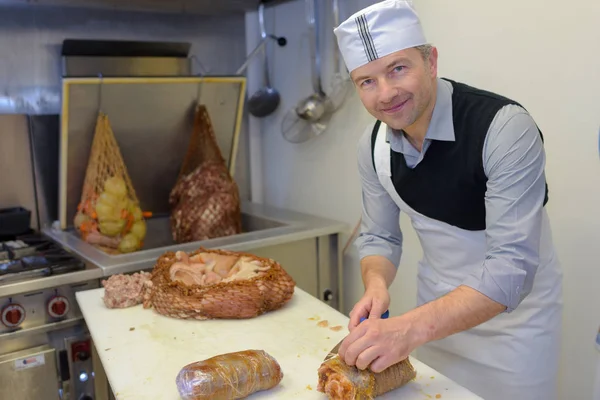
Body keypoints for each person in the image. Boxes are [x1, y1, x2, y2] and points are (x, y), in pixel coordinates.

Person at [332, 1, 563, 399]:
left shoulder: (504, 128)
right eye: (366, 81)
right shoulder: (372, 147)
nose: (386, 94)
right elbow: (380, 237)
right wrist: (376, 285)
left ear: (431, 60)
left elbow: (511, 268)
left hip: (516, 329)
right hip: (435, 321)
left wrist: (409, 328)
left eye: (398, 69)